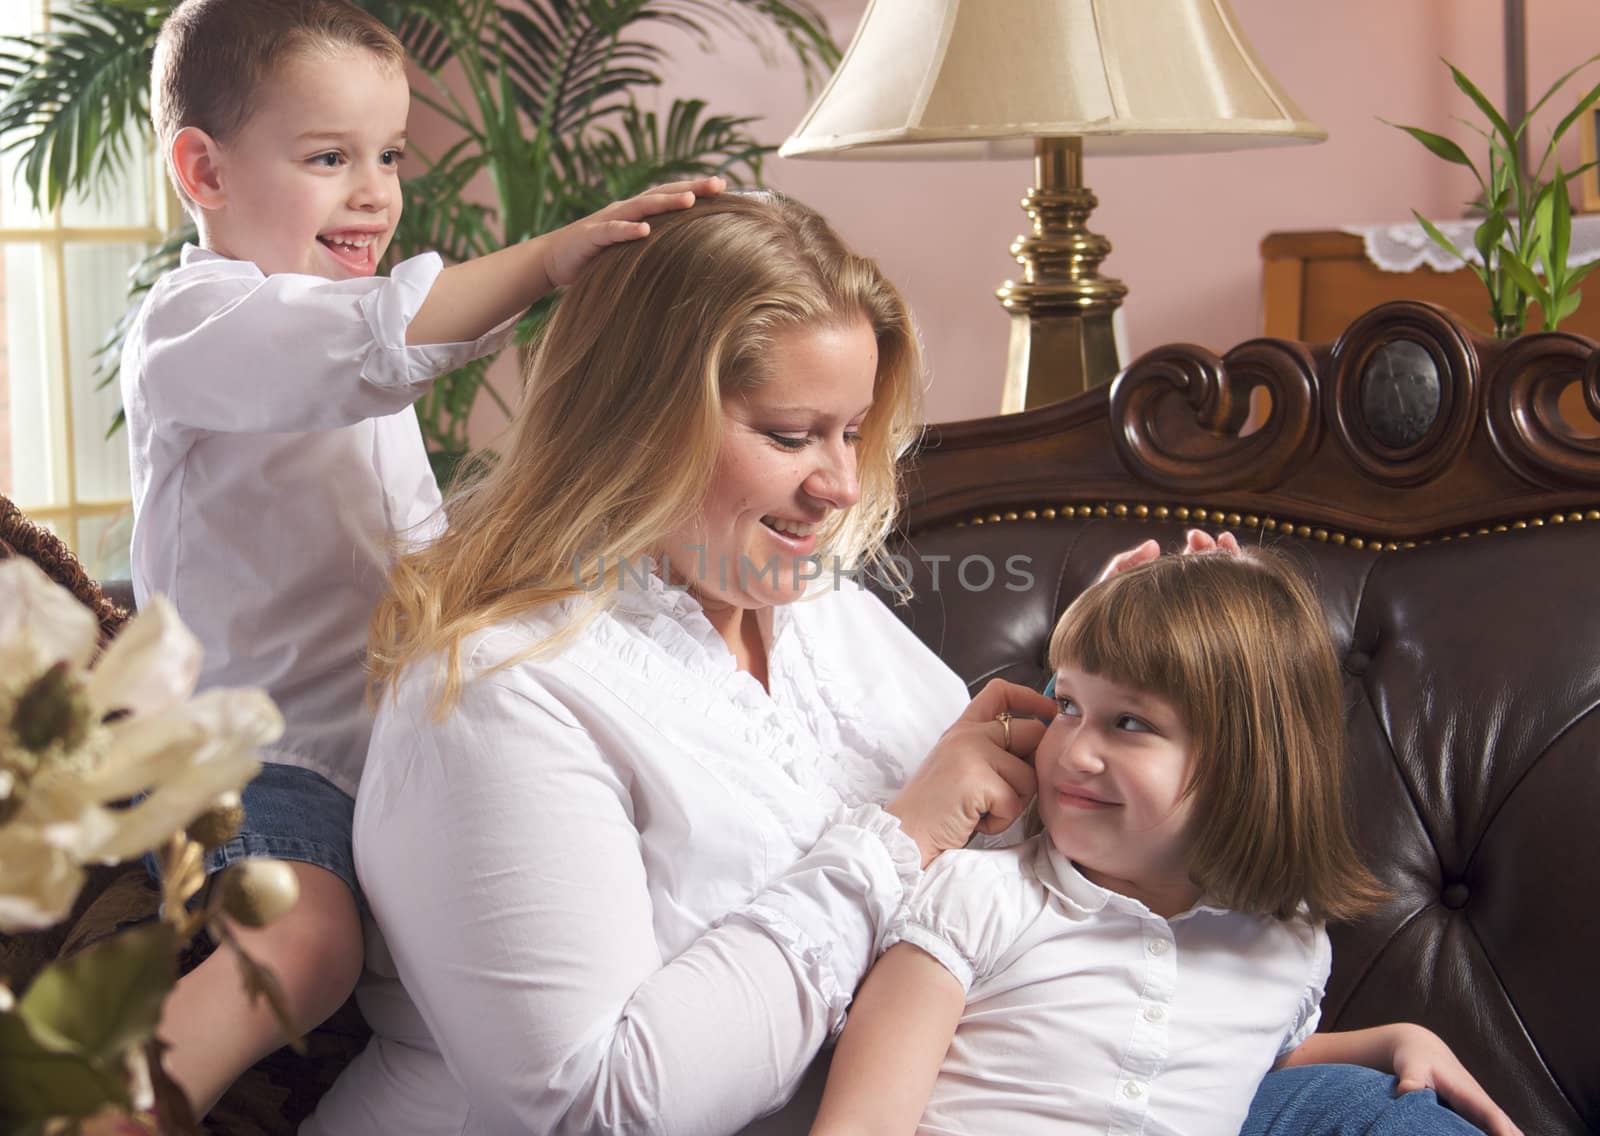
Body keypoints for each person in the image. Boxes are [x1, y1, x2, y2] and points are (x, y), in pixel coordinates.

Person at [308, 192, 1508, 1136]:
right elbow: (599, 1102)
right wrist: (894, 835)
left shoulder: (811, 608)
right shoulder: (500, 691)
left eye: (849, 431)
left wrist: (1177, 653)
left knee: (1392, 1114)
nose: (836, 485)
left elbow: (1043, 844)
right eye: (789, 435)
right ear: (634, 420)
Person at [124, 0, 719, 1115]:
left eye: (389, 155)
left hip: (397, 757)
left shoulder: (346, 331)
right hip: (261, 758)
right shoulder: (195, 328)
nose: (375, 192)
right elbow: (373, 344)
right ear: (201, 170)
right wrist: (548, 258)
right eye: (329, 157)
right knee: (306, 948)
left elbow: (415, 543)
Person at [808, 552, 1520, 1136]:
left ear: (1249, 764)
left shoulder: (1285, 947)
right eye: (1068, 706)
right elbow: (860, 1123)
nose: (1073, 752)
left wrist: (1392, 1041)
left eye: (1129, 724)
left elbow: (1228, 1055)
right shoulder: (975, 901)